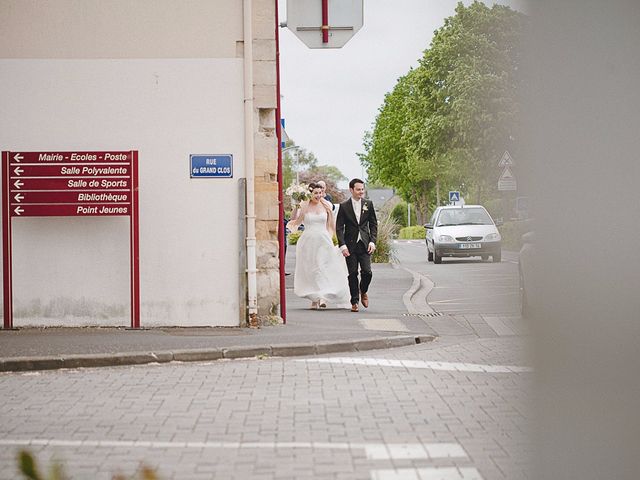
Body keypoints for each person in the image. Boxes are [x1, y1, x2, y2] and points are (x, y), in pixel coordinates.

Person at [287, 183, 350, 309]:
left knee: (323, 267)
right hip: (308, 242)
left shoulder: (326, 205)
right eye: (316, 193)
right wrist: (297, 203)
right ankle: (314, 299)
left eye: (320, 193)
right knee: (312, 270)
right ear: (310, 194)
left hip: (323, 240)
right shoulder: (304, 206)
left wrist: (336, 239)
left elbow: (332, 224)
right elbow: (293, 218)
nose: (318, 195)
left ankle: (322, 297)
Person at [336, 178, 378, 312]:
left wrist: (372, 241)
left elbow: (373, 224)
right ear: (351, 190)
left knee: (367, 272)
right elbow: (339, 227)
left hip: (365, 244)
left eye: (362, 189)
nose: (361, 192)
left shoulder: (368, 204)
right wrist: (342, 245)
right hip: (350, 245)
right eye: (358, 189)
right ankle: (354, 301)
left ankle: (363, 290)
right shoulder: (344, 206)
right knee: (352, 273)